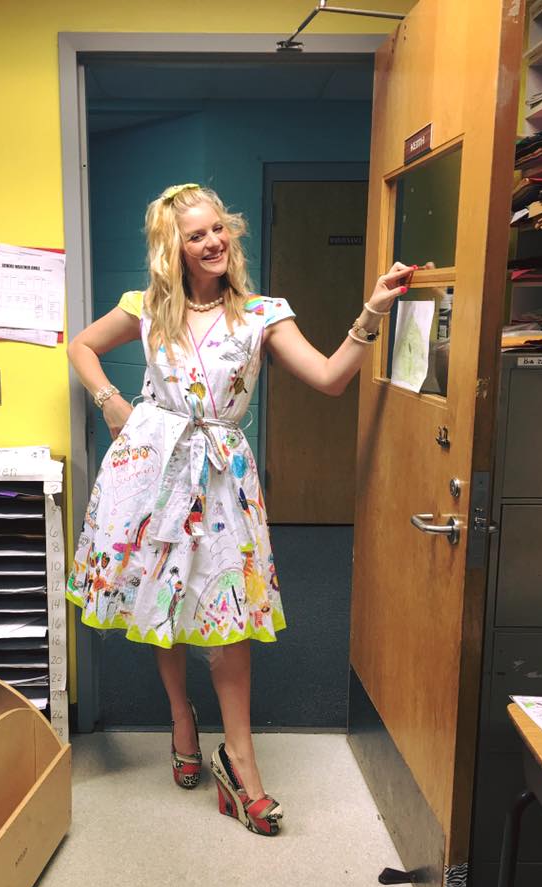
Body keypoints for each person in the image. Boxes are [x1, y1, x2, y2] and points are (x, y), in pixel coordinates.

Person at [67, 183, 414, 837]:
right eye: (196, 234)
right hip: (153, 470)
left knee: (226, 611)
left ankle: (241, 762)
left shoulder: (262, 312)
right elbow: (80, 346)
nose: (213, 242)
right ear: (174, 248)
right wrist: (111, 401)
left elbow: (330, 376)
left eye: (219, 228)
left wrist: (370, 312)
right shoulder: (143, 307)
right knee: (162, 603)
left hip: (221, 479)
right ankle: (180, 720)